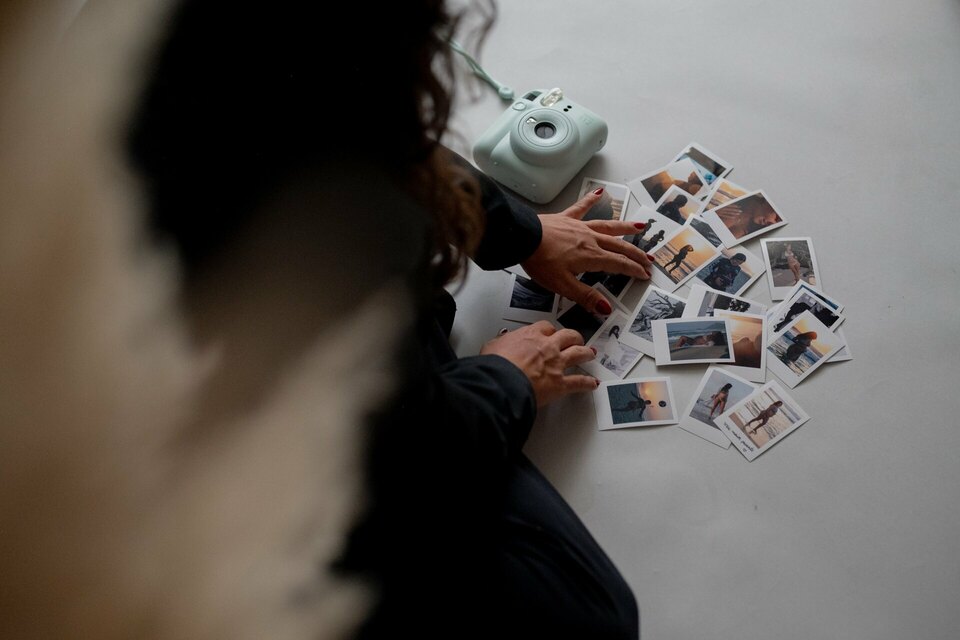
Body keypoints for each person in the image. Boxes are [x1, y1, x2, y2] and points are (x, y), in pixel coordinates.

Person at [125, 1, 646, 638]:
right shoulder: (321, 248)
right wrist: (509, 379)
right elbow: (407, 459)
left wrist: (522, 230)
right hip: (235, 486)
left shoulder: (202, 59)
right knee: (594, 619)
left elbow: (370, 135)